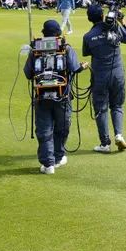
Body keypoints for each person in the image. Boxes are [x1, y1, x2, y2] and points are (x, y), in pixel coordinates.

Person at [27, 18, 84, 174]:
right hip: (62, 96)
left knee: (44, 130)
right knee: (62, 128)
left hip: (42, 97)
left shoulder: (35, 50)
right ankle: (57, 159)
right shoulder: (66, 48)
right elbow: (74, 68)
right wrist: (82, 67)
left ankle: (48, 164)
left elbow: (28, 73)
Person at [83, 0, 126, 153]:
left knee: (101, 109)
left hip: (99, 76)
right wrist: (122, 21)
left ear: (89, 19)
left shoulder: (88, 36)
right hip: (117, 74)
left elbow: (86, 53)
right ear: (102, 15)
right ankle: (119, 135)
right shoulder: (114, 27)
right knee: (117, 106)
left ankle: (105, 143)